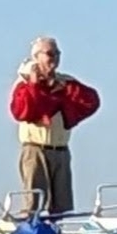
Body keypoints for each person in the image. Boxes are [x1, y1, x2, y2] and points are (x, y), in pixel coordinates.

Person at [9, 38, 100, 217]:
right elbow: (24, 111)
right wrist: (36, 86)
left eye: (57, 54)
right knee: (34, 207)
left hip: (61, 150)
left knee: (62, 209)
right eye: (50, 54)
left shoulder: (66, 82)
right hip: (35, 150)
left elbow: (91, 101)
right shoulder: (24, 84)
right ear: (36, 57)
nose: (55, 58)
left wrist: (62, 93)